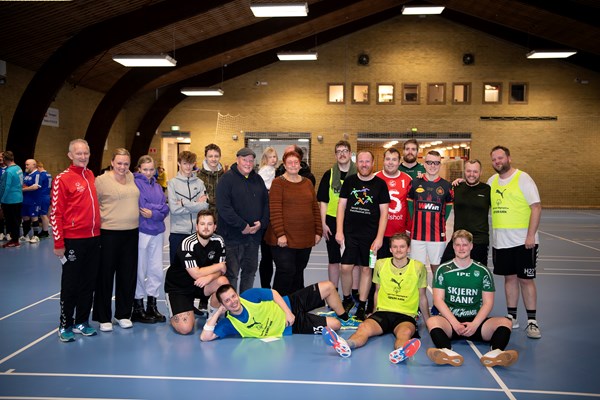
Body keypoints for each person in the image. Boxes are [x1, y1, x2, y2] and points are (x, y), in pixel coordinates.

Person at [323, 233, 429, 363]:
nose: (398, 250)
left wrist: (428, 320)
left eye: (402, 247)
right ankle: (346, 345)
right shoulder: (381, 264)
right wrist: (374, 311)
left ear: (408, 249)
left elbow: (422, 297)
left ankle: (401, 352)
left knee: (404, 333)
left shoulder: (418, 267)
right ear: (390, 249)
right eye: (395, 247)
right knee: (363, 328)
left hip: (406, 315)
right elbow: (377, 291)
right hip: (383, 312)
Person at [425, 230, 519, 367]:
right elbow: (438, 300)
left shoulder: (482, 271)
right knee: (432, 321)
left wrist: (475, 324)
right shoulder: (443, 270)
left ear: (471, 246)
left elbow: (488, 303)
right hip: (451, 322)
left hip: (476, 322)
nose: (461, 248)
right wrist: (455, 323)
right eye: (457, 245)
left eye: (464, 245)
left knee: (506, 322)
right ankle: (447, 352)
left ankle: (495, 353)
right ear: (453, 247)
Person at [488, 145, 542, 339]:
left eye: (500, 158)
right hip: (501, 241)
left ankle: (532, 321)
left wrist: (530, 235)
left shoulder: (523, 178)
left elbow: (536, 207)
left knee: (526, 280)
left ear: (509, 158)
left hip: (523, 241)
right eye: (494, 159)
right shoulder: (492, 181)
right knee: (509, 278)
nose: (497, 162)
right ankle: (512, 316)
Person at [51, 139, 101, 342]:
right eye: (79, 153)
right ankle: (65, 324)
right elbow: (55, 213)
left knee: (88, 283)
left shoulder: (90, 175)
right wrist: (58, 243)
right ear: (70, 155)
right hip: (73, 240)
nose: (83, 156)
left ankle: (82, 321)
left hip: (94, 238)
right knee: (71, 283)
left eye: (86, 153)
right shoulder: (62, 179)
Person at [200, 280, 353, 341]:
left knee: (328, 286)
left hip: (289, 304)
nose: (233, 301)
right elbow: (205, 337)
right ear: (223, 305)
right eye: (227, 301)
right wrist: (218, 313)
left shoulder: (249, 296)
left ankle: (345, 317)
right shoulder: (229, 324)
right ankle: (333, 318)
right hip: (292, 326)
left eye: (233, 296)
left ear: (237, 294)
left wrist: (288, 312)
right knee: (335, 326)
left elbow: (273, 293)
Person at [336, 150, 390, 321]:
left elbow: (384, 213)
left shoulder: (380, 184)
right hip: (350, 234)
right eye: (361, 161)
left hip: (370, 236)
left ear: (373, 163)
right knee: (345, 267)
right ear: (356, 163)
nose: (364, 164)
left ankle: (362, 304)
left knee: (367, 269)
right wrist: (339, 230)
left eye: (367, 161)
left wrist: (379, 237)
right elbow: (341, 206)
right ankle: (347, 299)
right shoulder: (350, 181)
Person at [93, 148, 140, 332]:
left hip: (131, 233)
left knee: (127, 275)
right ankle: (103, 317)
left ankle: (123, 314)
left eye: (126, 163)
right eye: (119, 163)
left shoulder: (131, 178)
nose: (122, 167)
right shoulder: (101, 181)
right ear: (112, 162)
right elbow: (93, 206)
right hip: (109, 233)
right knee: (105, 275)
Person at [264, 151, 322, 295]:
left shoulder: (307, 183)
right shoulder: (278, 183)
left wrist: (318, 231)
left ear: (300, 164)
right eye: (289, 162)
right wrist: (280, 234)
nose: (293, 165)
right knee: (286, 271)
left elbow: (315, 207)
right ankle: (278, 307)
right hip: (283, 239)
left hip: (305, 238)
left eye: (296, 162)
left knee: (298, 272)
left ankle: (296, 307)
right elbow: (275, 210)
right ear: (284, 165)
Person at [165, 210, 229, 335]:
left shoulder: (219, 241)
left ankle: (211, 318)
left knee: (222, 282)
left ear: (215, 227)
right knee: (186, 329)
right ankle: (174, 307)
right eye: (202, 224)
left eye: (209, 224)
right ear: (197, 226)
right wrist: (220, 266)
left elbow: (221, 272)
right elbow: (196, 273)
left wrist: (210, 277)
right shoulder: (187, 243)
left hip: (201, 284)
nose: (206, 228)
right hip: (179, 288)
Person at [216, 147, 269, 294]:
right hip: (232, 239)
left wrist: (262, 223)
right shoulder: (226, 180)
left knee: (249, 273)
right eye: (244, 160)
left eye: (251, 160)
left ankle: (245, 304)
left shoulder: (258, 180)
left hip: (253, 238)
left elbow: (266, 204)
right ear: (237, 159)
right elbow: (223, 208)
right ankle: (230, 309)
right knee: (231, 275)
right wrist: (242, 225)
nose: (248, 163)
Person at [132, 155, 170, 324]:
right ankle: (138, 307)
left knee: (155, 269)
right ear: (139, 169)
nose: (148, 173)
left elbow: (165, 207)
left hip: (158, 232)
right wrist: (158, 210)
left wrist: (155, 212)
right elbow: (142, 206)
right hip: (142, 231)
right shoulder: (135, 183)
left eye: (151, 169)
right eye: (145, 169)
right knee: (140, 269)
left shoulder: (157, 186)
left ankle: (152, 306)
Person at [317, 140, 357, 293]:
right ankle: (332, 292)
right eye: (339, 151)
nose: (342, 153)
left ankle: (353, 294)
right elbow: (323, 201)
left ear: (350, 154)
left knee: (353, 262)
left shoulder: (358, 174)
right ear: (335, 155)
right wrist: (323, 223)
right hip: (332, 221)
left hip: (353, 221)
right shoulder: (329, 174)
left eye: (345, 150)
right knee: (334, 260)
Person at [407, 150, 453, 279]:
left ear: (440, 165)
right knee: (417, 272)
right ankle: (418, 298)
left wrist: (441, 222)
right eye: (429, 162)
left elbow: (448, 208)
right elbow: (411, 206)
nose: (433, 166)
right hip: (417, 236)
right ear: (424, 164)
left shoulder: (446, 185)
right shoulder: (415, 183)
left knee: (437, 270)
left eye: (436, 163)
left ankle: (438, 298)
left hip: (437, 237)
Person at [441, 160, 490, 265]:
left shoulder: (487, 189)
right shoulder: (456, 187)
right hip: (458, 239)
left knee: (478, 275)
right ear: (464, 171)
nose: (471, 174)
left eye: (475, 172)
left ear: (480, 172)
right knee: (445, 267)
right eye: (468, 171)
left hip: (479, 241)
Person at [167, 150, 209, 266]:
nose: (188, 166)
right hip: (178, 233)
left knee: (197, 269)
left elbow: (204, 206)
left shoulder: (200, 183)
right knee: (177, 271)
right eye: (185, 163)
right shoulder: (172, 184)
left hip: (197, 234)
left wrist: (184, 203)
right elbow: (174, 210)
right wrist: (196, 203)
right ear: (179, 163)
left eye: (191, 163)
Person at [257, 146, 278, 288]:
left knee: (270, 256)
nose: (274, 159)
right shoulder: (264, 171)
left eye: (275, 157)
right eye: (271, 157)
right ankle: (265, 285)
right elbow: (261, 188)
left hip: (272, 216)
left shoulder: (273, 170)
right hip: (264, 215)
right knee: (266, 257)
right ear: (265, 159)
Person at [0, 151, 23, 248]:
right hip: (18, 198)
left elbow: (6, 187)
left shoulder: (9, 172)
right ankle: (15, 239)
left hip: (10, 200)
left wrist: (1, 199)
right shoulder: (18, 168)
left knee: (11, 221)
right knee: (16, 220)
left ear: (5, 160)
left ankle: (14, 240)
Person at [197, 143, 225, 217]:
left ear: (220, 157)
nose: (213, 159)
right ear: (205, 157)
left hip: (222, 217)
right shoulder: (198, 176)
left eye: (216, 156)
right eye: (210, 156)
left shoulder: (225, 177)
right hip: (204, 217)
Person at [20, 159, 42, 243]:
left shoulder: (37, 175)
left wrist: (22, 189)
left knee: (34, 217)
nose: (26, 166)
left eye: (28, 165)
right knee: (25, 217)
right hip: (25, 200)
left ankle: (36, 236)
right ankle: (25, 235)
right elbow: (23, 184)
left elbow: (35, 187)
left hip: (34, 200)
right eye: (25, 164)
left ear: (34, 165)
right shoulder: (25, 174)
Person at [35, 161, 52, 238]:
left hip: (42, 196)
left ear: (38, 167)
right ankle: (44, 231)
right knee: (43, 214)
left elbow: (37, 186)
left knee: (43, 215)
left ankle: (45, 231)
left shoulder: (41, 175)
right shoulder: (48, 174)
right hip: (46, 195)